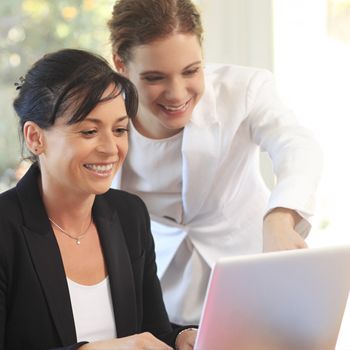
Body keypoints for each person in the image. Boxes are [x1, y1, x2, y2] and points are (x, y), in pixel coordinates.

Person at [107, 0, 323, 327]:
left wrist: (280, 217)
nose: (177, 94)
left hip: (254, 270)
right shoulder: (105, 116)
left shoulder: (243, 90)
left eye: (191, 71)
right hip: (162, 289)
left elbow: (297, 146)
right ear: (121, 64)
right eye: (155, 77)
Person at [0, 49, 196, 350]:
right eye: (89, 131)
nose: (110, 148)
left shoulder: (130, 215)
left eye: (119, 130)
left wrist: (183, 338)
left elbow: (151, 332)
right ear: (35, 138)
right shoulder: (5, 228)